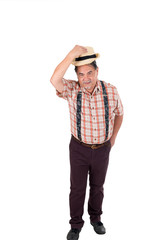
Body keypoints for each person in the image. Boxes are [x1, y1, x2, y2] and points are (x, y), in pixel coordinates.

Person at [50, 45, 124, 240]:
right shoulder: (72, 90)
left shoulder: (111, 90)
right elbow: (54, 79)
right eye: (81, 74)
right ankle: (75, 225)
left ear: (97, 71)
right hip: (78, 149)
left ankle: (96, 219)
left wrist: (113, 137)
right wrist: (71, 55)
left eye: (90, 72)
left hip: (102, 149)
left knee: (98, 186)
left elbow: (120, 114)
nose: (86, 78)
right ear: (77, 76)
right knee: (77, 189)